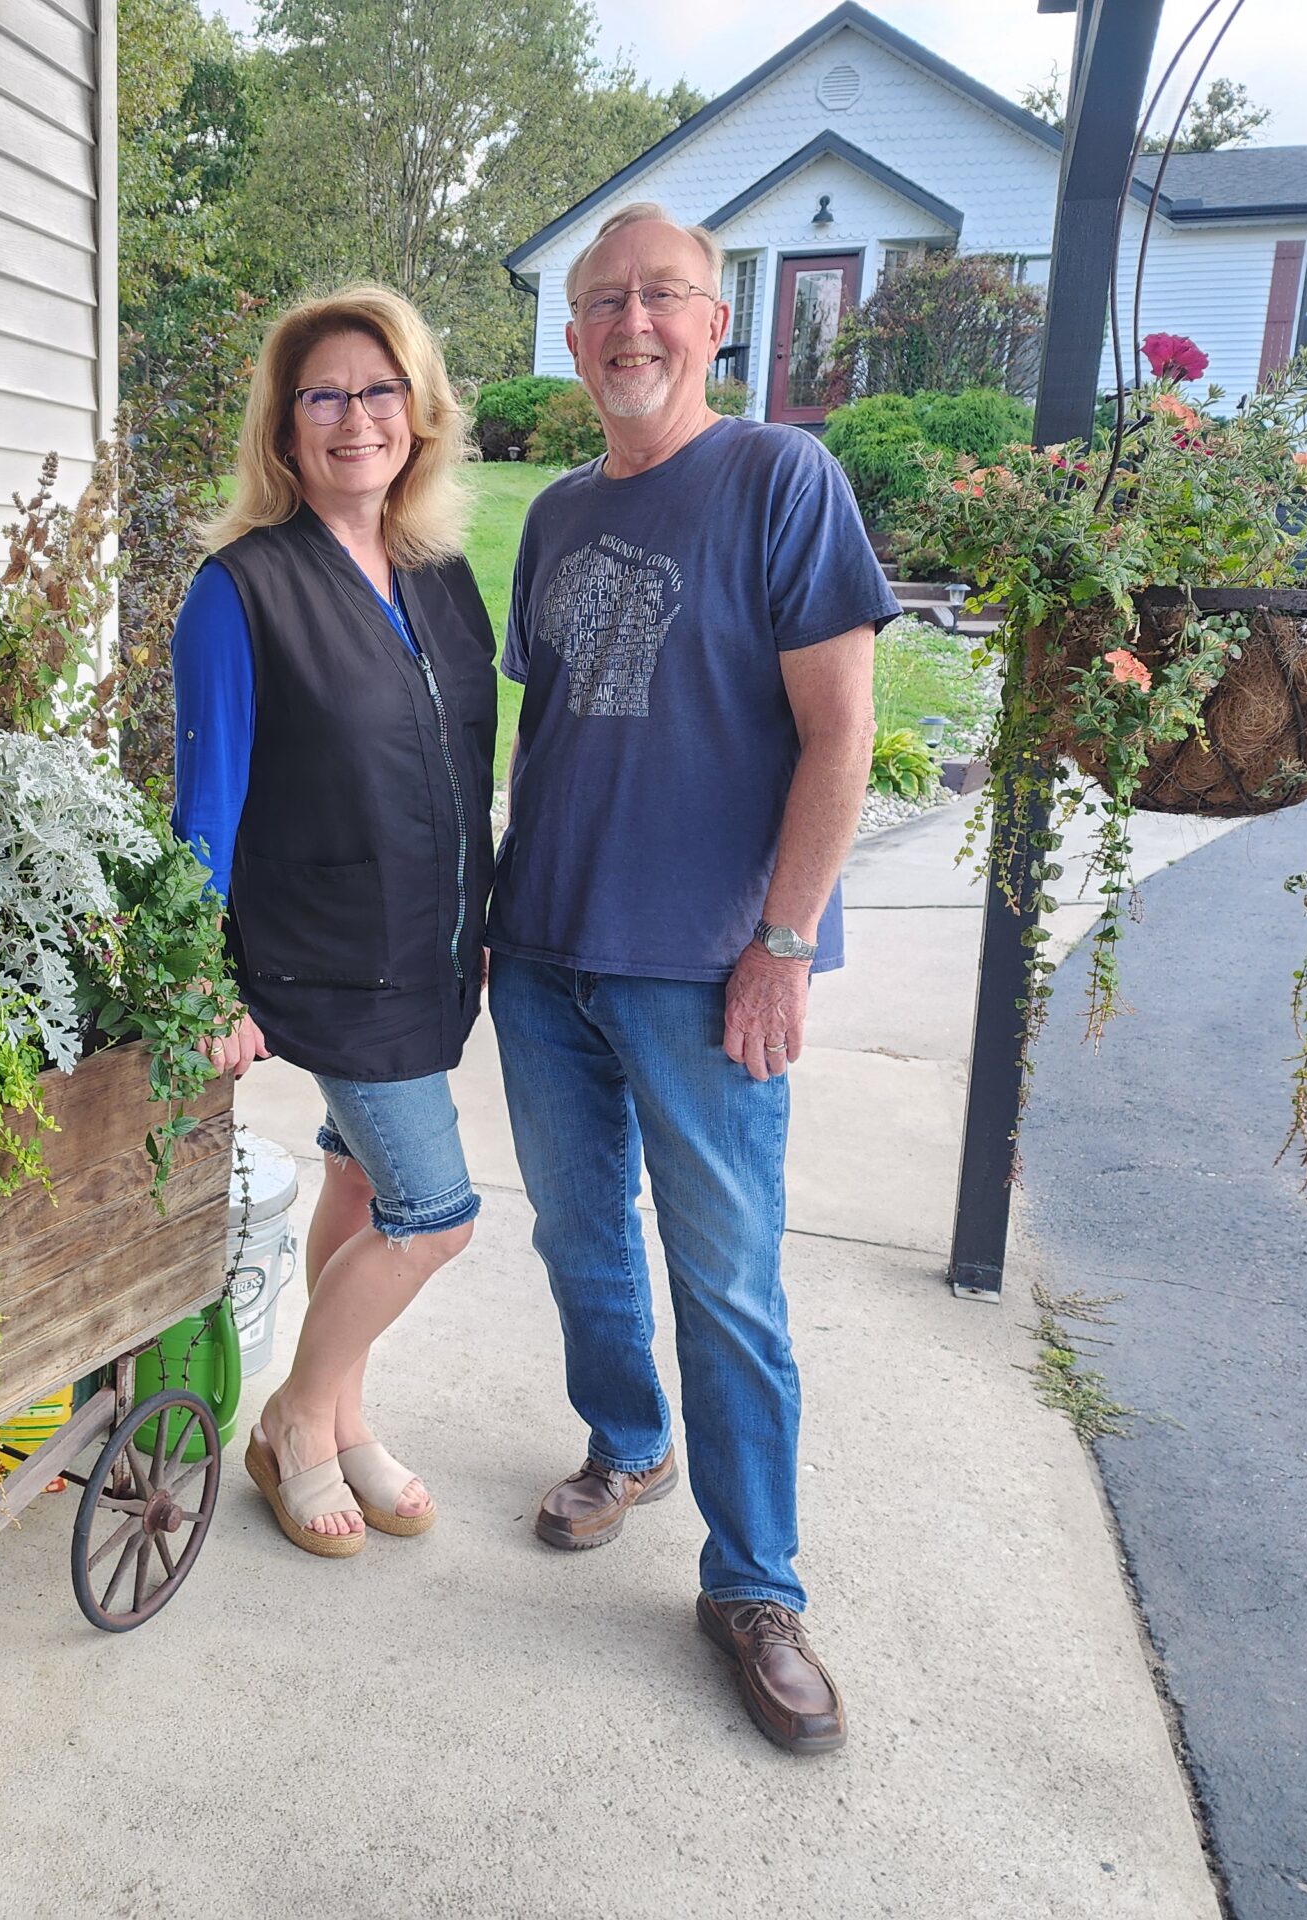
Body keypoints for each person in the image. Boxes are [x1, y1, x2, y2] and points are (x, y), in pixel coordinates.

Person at [492, 203, 895, 1753]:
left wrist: (785, 946)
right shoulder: (554, 517)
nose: (629, 326)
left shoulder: (782, 480)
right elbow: (559, 735)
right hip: (546, 958)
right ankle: (625, 1442)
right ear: (574, 333)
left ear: (718, 322)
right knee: (581, 1238)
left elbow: (842, 731)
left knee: (727, 1281)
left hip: (709, 966)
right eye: (601, 302)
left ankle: (757, 1585)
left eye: (662, 297)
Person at [168, 286, 496, 1559]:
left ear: (416, 413)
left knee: (360, 1179)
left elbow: (466, 761)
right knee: (435, 1212)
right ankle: (295, 1423)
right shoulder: (238, 591)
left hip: (430, 952)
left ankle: (350, 1417)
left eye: (378, 391)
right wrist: (200, 978)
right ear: (284, 426)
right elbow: (205, 804)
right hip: (330, 960)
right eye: (324, 396)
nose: (354, 417)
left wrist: (480, 910)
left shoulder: (441, 575)